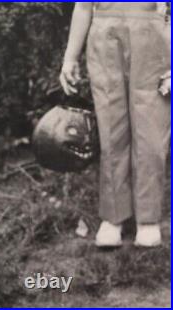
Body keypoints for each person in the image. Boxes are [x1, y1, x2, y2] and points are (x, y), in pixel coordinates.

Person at [60, 2, 171, 247]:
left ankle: (148, 219)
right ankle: (113, 217)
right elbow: (82, 7)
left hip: (154, 39)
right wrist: (70, 58)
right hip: (104, 37)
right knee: (112, 129)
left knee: (151, 132)